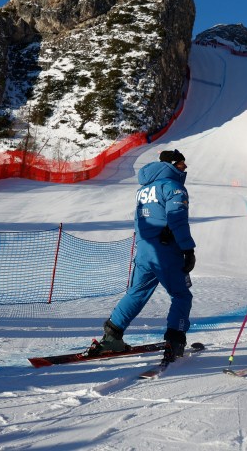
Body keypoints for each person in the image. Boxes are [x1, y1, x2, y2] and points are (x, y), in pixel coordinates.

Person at [95, 149, 196, 362]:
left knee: (137, 292)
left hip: (144, 251)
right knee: (181, 295)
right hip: (166, 251)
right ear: (172, 164)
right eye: (182, 164)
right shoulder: (173, 187)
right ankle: (175, 340)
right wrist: (188, 249)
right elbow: (177, 218)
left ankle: (111, 336)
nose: (185, 168)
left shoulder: (144, 189)